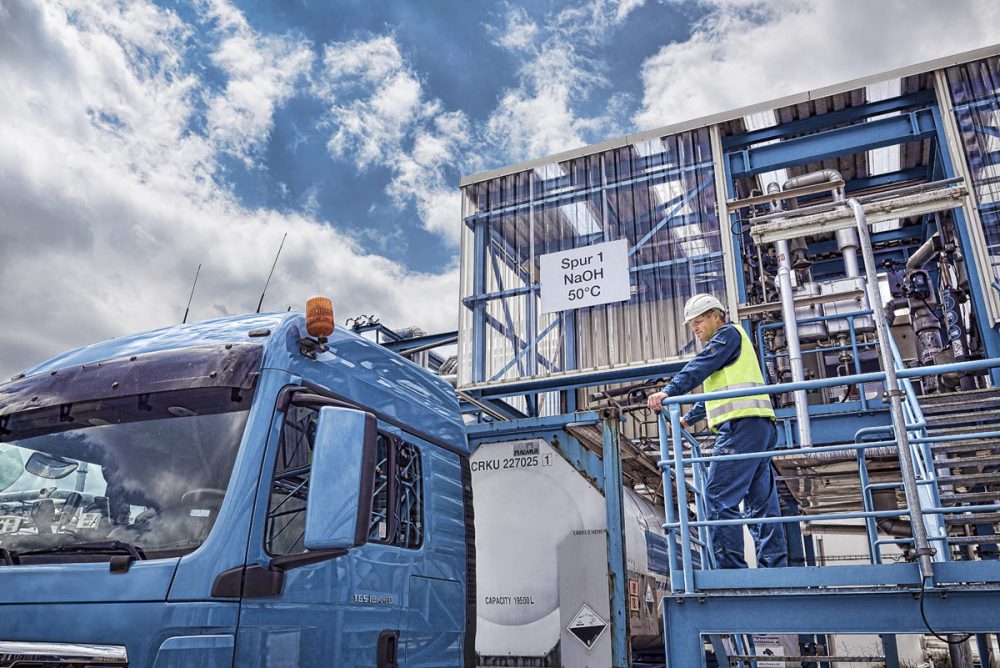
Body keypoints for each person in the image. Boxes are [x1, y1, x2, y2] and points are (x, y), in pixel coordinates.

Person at [646, 293, 787, 569]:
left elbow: (699, 367)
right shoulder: (731, 345)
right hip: (759, 427)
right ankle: (775, 565)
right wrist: (689, 419)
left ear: (716, 316)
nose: (695, 328)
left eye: (698, 321)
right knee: (760, 502)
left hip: (740, 427)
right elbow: (716, 395)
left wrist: (668, 391)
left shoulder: (727, 335)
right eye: (691, 325)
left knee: (718, 496)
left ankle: (731, 571)